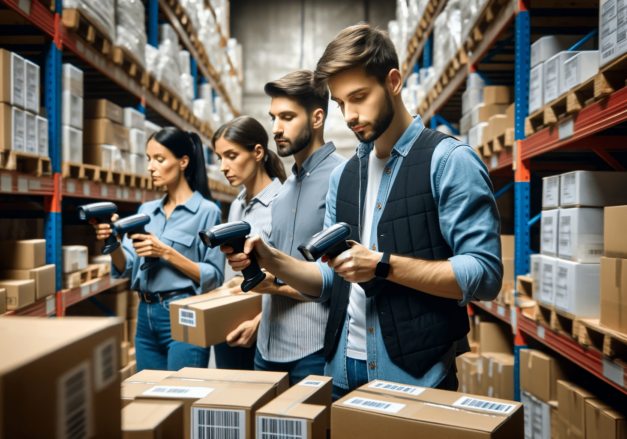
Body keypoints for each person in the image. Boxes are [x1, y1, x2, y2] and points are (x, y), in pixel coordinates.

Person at [222, 24, 503, 399]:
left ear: (393, 81)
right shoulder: (345, 176)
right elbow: (326, 282)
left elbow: (484, 275)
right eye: (340, 103)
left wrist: (382, 265)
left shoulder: (448, 161)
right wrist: (269, 258)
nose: (350, 115)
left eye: (359, 97)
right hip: (339, 370)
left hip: (412, 373)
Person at [222, 70, 346, 385]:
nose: (276, 128)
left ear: (317, 118)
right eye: (273, 117)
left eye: (287, 117)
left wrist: (273, 284)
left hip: (314, 349)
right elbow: (277, 270)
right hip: (267, 350)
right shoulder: (285, 189)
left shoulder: (343, 177)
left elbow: (340, 283)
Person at [92, 127, 224, 372]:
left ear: (183, 161)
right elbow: (128, 267)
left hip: (184, 311)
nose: (151, 167)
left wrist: (165, 252)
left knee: (181, 399)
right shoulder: (146, 210)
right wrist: (113, 243)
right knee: (149, 397)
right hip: (145, 316)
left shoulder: (207, 212)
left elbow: (214, 276)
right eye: (149, 159)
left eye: (159, 159)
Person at [210, 115, 287, 370]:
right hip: (235, 322)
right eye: (220, 157)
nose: (223, 166)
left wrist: (259, 321)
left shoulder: (283, 203)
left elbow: (296, 275)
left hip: (271, 329)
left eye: (231, 156)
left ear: (257, 152)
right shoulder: (236, 206)